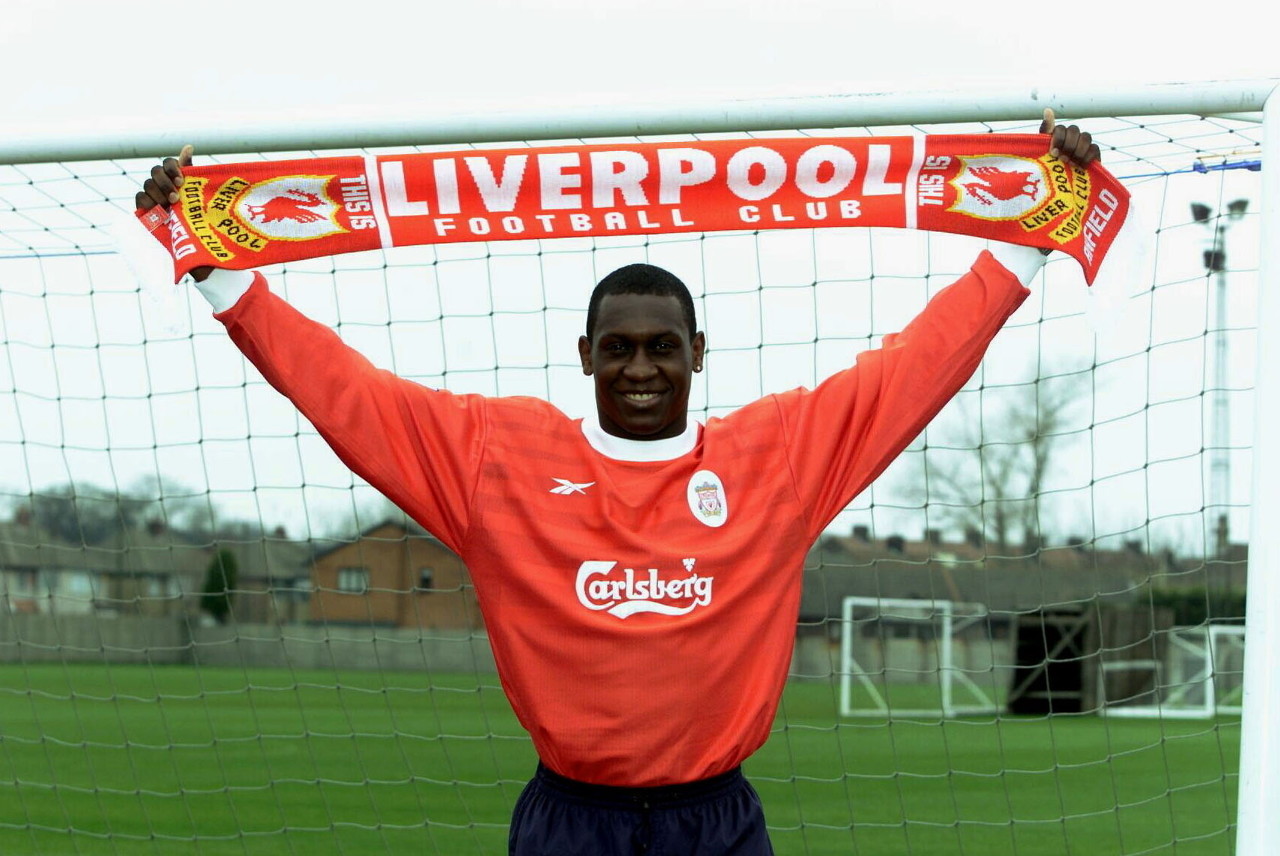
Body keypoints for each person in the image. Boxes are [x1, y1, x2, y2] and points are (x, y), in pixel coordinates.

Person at [136, 113, 1098, 855]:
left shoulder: (776, 458)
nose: (642, 369)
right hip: (571, 821)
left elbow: (914, 371)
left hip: (716, 821)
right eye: (621, 348)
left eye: (663, 348)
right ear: (586, 355)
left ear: (698, 354)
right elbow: (348, 395)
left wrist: (1027, 234)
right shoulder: (497, 459)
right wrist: (221, 277)